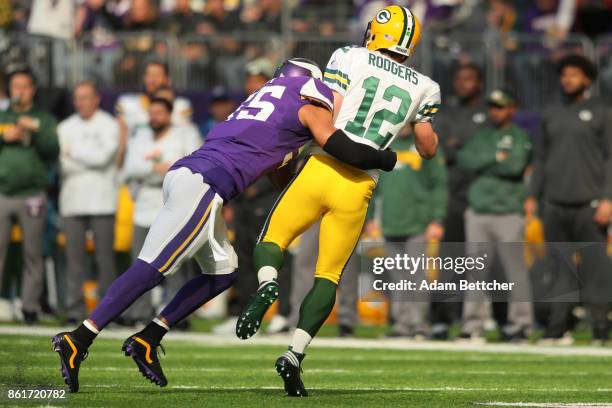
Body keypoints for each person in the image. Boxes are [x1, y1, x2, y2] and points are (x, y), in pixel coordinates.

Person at [51, 58, 396, 393]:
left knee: (222, 271)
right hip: (207, 182)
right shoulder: (307, 98)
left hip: (193, 174)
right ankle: (79, 337)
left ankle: (148, 338)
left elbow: (276, 175)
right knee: (153, 267)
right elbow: (338, 144)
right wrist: (381, 158)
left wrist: (296, 157)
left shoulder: (263, 100)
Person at [236, 5, 440, 397]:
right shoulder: (425, 86)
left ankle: (266, 283)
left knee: (272, 240)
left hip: (323, 166)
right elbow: (427, 147)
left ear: (378, 32)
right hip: (359, 185)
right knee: (328, 276)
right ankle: (295, 352)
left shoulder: (349, 56)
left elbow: (331, 110)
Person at [525, 55, 612, 343]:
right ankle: (558, 328)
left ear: (587, 79)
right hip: (554, 202)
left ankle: (601, 329)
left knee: (595, 268)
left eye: (574, 74)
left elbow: (610, 158)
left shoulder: (602, 111)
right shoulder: (551, 112)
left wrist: (608, 198)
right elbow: (540, 157)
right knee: (558, 268)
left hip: (590, 204)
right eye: (564, 74)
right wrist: (532, 195)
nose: (567, 79)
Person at [457, 89, 534, 342]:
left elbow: (515, 165)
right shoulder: (481, 136)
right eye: (492, 107)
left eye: (500, 107)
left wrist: (488, 161)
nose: (495, 111)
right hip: (479, 212)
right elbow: (464, 160)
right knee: (475, 272)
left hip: (509, 212)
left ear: (512, 109)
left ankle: (521, 325)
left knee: (515, 272)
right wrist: (496, 158)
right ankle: (472, 326)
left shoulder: (521, 137)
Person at [121, 97, 201, 324]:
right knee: (139, 265)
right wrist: (153, 168)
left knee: (174, 265)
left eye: (159, 113)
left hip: (173, 207)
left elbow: (192, 164)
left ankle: (177, 316)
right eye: (151, 113)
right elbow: (130, 168)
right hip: (144, 207)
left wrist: (165, 170)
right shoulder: (141, 137)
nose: (154, 117)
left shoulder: (181, 136)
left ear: (169, 115)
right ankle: (139, 313)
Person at [366, 124, 448, 339]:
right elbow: (373, 185)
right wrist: (371, 217)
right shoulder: (383, 146)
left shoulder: (423, 146)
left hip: (418, 223)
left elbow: (439, 184)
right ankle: (401, 324)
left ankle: (419, 324)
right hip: (391, 222)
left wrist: (437, 218)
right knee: (397, 277)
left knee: (416, 276)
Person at [430, 62, 489, 339]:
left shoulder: (489, 112)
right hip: (452, 197)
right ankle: (443, 318)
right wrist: (468, 148)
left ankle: (483, 320)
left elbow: (484, 150)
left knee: (479, 262)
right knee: (450, 261)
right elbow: (440, 147)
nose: (463, 83)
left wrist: (462, 147)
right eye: (459, 79)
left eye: (469, 78)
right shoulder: (447, 113)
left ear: (479, 82)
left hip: (481, 197)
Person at [0, 69, 59, 324]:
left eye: (24, 86)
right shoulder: (2, 117)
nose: (20, 91)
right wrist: (3, 136)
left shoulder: (43, 118)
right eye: (15, 86)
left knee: (33, 253)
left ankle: (30, 307)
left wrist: (35, 132)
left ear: (33, 89)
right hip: (2, 192)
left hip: (32, 194)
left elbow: (52, 150)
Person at [58, 80, 119, 323]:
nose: (81, 102)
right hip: (72, 201)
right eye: (78, 98)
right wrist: (85, 156)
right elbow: (63, 161)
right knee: (74, 260)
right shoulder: (64, 126)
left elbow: (104, 158)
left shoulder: (109, 124)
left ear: (97, 99)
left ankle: (107, 311)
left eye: (86, 97)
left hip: (102, 201)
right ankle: (74, 309)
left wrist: (74, 153)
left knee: (105, 260)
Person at [115, 61, 193, 165]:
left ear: (168, 80)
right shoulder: (128, 104)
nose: (151, 80)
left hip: (170, 162)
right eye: (148, 75)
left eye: (156, 75)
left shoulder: (180, 106)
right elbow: (122, 142)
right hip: (137, 164)